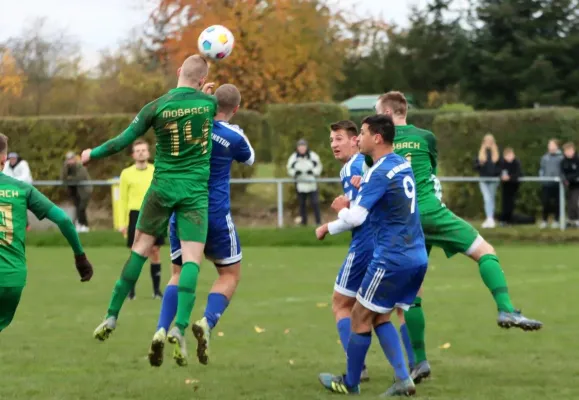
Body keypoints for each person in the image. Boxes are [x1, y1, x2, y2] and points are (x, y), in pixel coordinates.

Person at [366, 91, 542, 384]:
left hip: (403, 221)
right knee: (484, 250)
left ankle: (419, 362)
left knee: (411, 298)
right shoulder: (426, 137)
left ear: (386, 113)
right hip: (431, 211)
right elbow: (430, 174)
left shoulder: (378, 142)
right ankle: (506, 309)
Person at [86, 55, 216, 363]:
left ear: (178, 72)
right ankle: (180, 328)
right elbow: (216, 111)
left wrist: (92, 153)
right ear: (201, 81)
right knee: (191, 260)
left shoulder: (155, 107)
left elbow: (123, 141)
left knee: (140, 249)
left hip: (161, 189)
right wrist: (207, 97)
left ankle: (111, 316)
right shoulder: (209, 105)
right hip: (194, 192)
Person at [316, 115, 427, 396]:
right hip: (417, 255)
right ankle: (404, 378)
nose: (359, 138)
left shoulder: (377, 172)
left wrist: (339, 210)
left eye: (363, 133)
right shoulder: (401, 163)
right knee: (379, 317)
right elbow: (389, 200)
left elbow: (355, 218)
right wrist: (363, 183)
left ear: (377, 137)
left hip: (392, 257)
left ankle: (351, 383)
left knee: (357, 316)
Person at [148, 84, 255, 367]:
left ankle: (162, 327)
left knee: (178, 272)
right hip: (215, 214)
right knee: (229, 274)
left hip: (182, 210)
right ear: (236, 109)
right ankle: (207, 322)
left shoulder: (189, 127)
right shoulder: (234, 136)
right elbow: (249, 158)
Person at [0, 133, 93, 332]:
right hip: (12, 279)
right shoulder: (21, 189)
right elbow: (64, 220)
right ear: (4, 160)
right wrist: (80, 256)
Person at [119, 139, 165, 300]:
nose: (141, 153)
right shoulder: (126, 174)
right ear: (133, 155)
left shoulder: (156, 170)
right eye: (137, 150)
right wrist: (121, 222)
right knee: (134, 253)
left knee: (155, 251)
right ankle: (130, 292)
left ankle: (156, 291)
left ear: (148, 153)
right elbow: (122, 199)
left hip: (155, 214)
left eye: (143, 150)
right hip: (135, 215)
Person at [286, 139, 322, 225]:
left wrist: (313, 172)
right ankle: (304, 222)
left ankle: (318, 222)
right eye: (300, 147)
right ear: (297, 148)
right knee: (302, 204)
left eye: (303, 146)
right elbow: (289, 168)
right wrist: (295, 173)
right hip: (300, 184)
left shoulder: (313, 156)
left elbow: (319, 166)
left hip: (311, 184)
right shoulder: (293, 157)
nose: (302, 148)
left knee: (315, 203)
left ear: (306, 147)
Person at [61, 151, 93, 232]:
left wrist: (69, 179)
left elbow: (79, 178)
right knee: (77, 207)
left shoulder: (80, 166)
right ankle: (80, 225)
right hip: (75, 191)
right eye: (68, 159)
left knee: (81, 207)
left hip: (84, 190)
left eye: (71, 159)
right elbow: (63, 178)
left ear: (74, 159)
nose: (69, 161)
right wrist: (66, 168)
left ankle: (83, 225)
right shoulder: (66, 167)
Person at [474, 134, 500, 228]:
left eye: (490, 141)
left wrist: (493, 169)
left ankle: (490, 218)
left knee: (491, 198)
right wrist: (480, 164)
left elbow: (499, 168)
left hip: (493, 180)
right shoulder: (480, 153)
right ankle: (489, 218)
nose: (488, 143)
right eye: (487, 141)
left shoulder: (496, 153)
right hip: (483, 179)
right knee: (487, 198)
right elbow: (475, 167)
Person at [539, 139, 563, 229]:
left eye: (553, 145)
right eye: (549, 145)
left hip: (557, 185)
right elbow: (541, 169)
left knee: (557, 203)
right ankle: (544, 221)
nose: (551, 147)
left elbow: (562, 170)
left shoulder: (561, 157)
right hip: (546, 184)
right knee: (545, 203)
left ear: (557, 146)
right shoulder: (545, 157)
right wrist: (541, 178)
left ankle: (556, 221)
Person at [499, 147, 522, 224]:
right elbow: (499, 172)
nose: (509, 157)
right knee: (505, 203)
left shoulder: (516, 163)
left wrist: (510, 177)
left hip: (514, 185)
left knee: (511, 203)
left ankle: (510, 220)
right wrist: (502, 177)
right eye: (507, 155)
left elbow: (518, 173)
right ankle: (504, 220)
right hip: (505, 186)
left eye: (511, 155)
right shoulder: (502, 163)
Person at [561, 142, 579, 227]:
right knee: (570, 202)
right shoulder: (563, 161)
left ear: (573, 150)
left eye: (569, 150)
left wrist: (569, 178)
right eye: (566, 151)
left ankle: (576, 219)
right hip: (568, 185)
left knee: (575, 202)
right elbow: (562, 172)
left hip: (577, 185)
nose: (568, 153)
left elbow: (577, 173)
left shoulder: (577, 160)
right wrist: (565, 179)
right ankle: (571, 220)